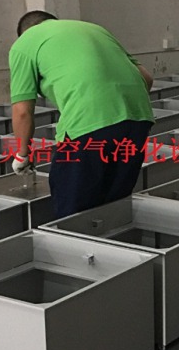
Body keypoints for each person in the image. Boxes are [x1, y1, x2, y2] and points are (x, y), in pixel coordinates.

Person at [9, 12, 155, 219]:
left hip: (88, 125)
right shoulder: (96, 30)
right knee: (115, 204)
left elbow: (22, 112)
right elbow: (146, 78)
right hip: (138, 119)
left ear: (24, 32)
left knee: (72, 211)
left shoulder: (25, 43)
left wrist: (22, 154)